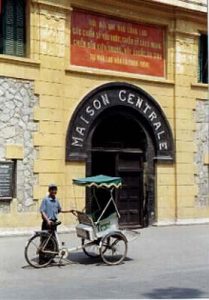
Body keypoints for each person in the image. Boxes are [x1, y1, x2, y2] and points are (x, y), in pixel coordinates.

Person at [39, 183, 72, 264]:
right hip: (47, 223)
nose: (54, 191)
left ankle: (50, 258)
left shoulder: (56, 200)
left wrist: (70, 211)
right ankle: (42, 259)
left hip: (53, 223)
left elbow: (60, 210)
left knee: (52, 242)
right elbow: (42, 211)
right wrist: (47, 220)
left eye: (55, 189)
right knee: (44, 241)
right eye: (52, 189)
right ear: (49, 190)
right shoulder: (45, 200)